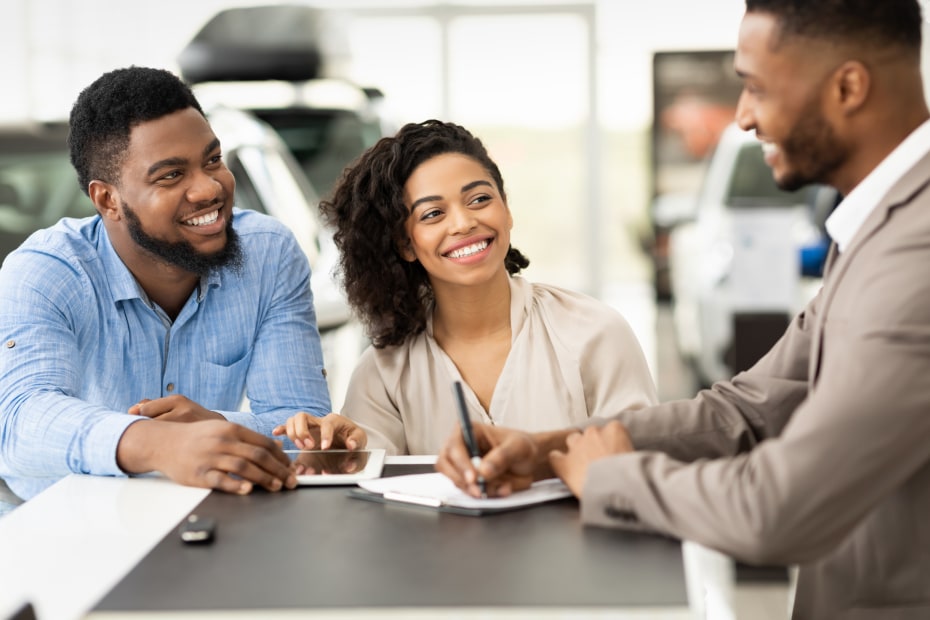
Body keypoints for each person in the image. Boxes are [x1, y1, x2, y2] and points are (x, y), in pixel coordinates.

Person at [437, 1, 930, 617]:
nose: (743, 116)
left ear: (849, 87)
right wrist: (545, 451)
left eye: (754, 86)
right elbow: (750, 410)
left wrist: (613, 479)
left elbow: (780, 508)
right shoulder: (884, 228)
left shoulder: (917, 249)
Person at [0, 66, 364, 502]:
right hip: (56, 527)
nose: (209, 188)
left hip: (203, 519)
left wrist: (213, 427)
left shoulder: (268, 253)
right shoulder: (47, 272)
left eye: (212, 160)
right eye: (171, 175)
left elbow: (302, 427)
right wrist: (155, 442)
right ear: (107, 200)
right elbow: (20, 423)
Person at [280, 120, 657, 454]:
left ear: (506, 210)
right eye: (432, 214)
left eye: (479, 199)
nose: (463, 223)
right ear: (405, 244)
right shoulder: (383, 372)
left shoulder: (594, 333)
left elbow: (637, 457)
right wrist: (343, 452)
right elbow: (370, 481)